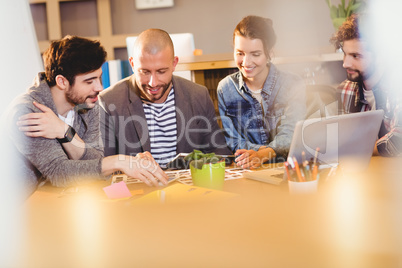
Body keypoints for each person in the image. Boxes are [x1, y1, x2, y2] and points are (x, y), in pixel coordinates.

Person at [6, 35, 168, 198]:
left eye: (99, 77)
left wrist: (65, 131)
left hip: (56, 199)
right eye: (89, 81)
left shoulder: (88, 102)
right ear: (62, 82)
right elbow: (58, 172)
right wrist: (119, 161)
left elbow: (94, 159)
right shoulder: (27, 112)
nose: (99, 87)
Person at [99, 28, 231, 168]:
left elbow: (219, 152)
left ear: (174, 63)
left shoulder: (198, 95)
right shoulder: (109, 102)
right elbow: (103, 168)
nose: (153, 83)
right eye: (145, 72)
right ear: (132, 64)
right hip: (138, 188)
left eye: (161, 72)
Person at [217, 15, 306, 169]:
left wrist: (263, 155)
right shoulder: (225, 89)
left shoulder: (293, 84)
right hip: (248, 169)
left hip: (286, 168)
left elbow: (291, 134)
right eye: (240, 53)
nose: (246, 63)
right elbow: (233, 141)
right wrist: (258, 156)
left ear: (270, 53)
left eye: (255, 54)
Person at [331, 13, 402, 156]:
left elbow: (397, 142)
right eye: (345, 53)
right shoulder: (345, 89)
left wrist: (352, 149)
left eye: (356, 56)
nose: (345, 63)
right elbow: (340, 140)